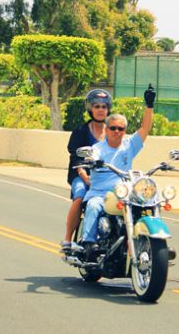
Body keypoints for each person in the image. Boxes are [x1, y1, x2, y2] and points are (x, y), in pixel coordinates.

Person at [80, 85, 156, 260]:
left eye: (120, 129)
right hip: (101, 194)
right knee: (93, 206)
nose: (117, 132)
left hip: (124, 194)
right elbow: (92, 155)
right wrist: (92, 160)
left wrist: (149, 106)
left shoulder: (129, 145)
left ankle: (149, 244)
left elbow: (144, 129)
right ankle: (89, 244)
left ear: (124, 131)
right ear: (106, 130)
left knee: (145, 206)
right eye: (113, 128)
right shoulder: (97, 148)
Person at [60, 89, 110, 253]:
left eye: (104, 106)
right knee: (80, 195)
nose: (101, 109)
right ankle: (68, 238)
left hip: (105, 177)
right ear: (90, 109)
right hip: (83, 175)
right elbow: (76, 157)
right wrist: (85, 177)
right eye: (97, 106)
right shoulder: (81, 131)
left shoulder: (113, 132)